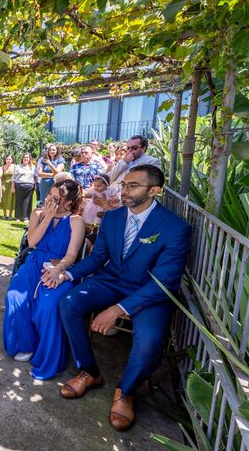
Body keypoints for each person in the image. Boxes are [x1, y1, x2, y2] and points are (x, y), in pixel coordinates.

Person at [48, 165, 191, 431]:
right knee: (68, 302)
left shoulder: (175, 227)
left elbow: (166, 282)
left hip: (150, 292)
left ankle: (126, 391)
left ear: (154, 190)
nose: (124, 190)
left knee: (149, 339)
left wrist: (117, 309)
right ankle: (89, 371)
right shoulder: (112, 218)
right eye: (124, 185)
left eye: (133, 186)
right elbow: (97, 258)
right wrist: (66, 274)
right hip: (112, 281)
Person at [2, 180, 85, 379]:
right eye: (49, 195)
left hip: (59, 267)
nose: (48, 200)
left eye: (55, 198)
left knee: (47, 304)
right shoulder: (38, 214)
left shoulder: (76, 221)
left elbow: (72, 255)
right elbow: (32, 242)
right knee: (15, 296)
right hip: (33, 263)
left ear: (68, 202)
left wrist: (59, 270)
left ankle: (46, 355)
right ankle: (26, 343)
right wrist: (47, 217)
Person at [12, 152, 35, 222]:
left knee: (28, 202)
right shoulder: (18, 166)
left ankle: (26, 217)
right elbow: (13, 178)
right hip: (19, 186)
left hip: (29, 187)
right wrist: (12, 187)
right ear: (22, 158)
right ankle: (18, 217)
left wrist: (36, 186)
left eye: (27, 157)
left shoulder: (33, 167)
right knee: (18, 202)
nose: (26, 159)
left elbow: (35, 177)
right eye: (25, 157)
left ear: (30, 159)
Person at [0, 155, 16, 220]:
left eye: (10, 159)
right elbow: (1, 177)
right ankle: (4, 214)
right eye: (7, 159)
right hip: (4, 184)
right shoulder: (2, 167)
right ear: (5, 160)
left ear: (12, 160)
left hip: (12, 184)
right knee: (4, 199)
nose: (8, 160)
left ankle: (10, 214)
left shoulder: (15, 167)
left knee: (11, 199)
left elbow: (15, 176)